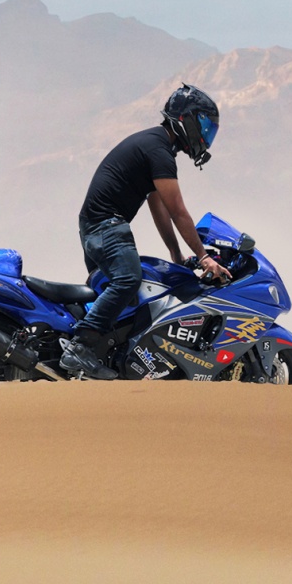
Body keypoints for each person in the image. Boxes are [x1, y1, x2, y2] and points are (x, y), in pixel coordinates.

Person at [62, 83, 223, 380]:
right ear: (185, 118)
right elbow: (178, 210)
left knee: (121, 304)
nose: (205, 136)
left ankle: (98, 357)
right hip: (106, 225)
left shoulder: (156, 146)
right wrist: (203, 257)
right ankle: (80, 345)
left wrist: (176, 252)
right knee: (128, 280)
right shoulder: (159, 150)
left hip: (98, 226)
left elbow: (158, 205)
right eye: (203, 124)